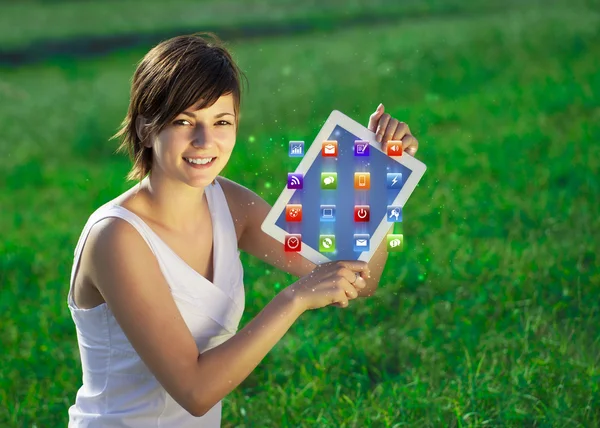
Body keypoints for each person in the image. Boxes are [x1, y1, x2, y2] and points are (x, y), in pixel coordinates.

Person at [67, 32, 420, 427]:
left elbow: (359, 277)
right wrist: (294, 299)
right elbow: (194, 391)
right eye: (184, 121)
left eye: (221, 121)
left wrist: (379, 171)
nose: (205, 141)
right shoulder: (116, 238)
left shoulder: (230, 204)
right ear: (146, 128)